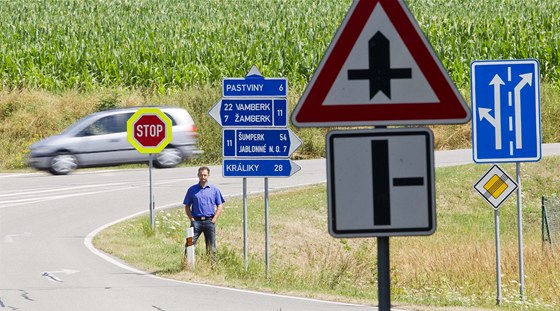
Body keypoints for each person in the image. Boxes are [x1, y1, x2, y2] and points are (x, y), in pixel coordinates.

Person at [183, 166, 224, 264]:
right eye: (201, 175)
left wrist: (214, 219)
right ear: (198, 175)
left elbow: (220, 205)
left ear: (208, 176)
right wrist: (192, 219)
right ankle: (186, 263)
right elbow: (187, 206)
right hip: (196, 221)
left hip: (209, 221)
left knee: (211, 245)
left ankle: (211, 266)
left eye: (205, 175)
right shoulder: (192, 190)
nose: (203, 177)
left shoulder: (214, 190)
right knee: (189, 243)